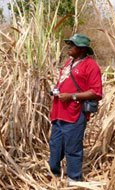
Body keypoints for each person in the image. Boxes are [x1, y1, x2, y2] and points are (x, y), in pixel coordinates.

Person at [49, 33, 102, 184]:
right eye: (69, 44)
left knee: (73, 149)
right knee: (55, 146)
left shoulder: (91, 66)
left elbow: (96, 91)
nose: (69, 47)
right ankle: (54, 175)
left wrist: (71, 96)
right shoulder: (69, 62)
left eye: (73, 45)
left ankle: (74, 180)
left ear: (83, 49)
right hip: (59, 113)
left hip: (74, 114)